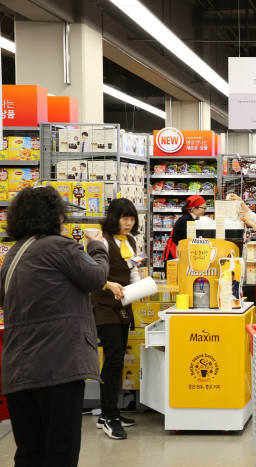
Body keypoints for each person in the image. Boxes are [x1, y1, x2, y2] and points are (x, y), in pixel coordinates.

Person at [0, 186, 109, 466]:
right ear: (53, 216)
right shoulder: (59, 247)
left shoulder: (14, 253)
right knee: (61, 451)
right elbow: (96, 277)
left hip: (19, 369)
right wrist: (98, 246)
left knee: (29, 452)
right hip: (59, 366)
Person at [93, 198, 143, 440]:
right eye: (124, 217)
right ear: (114, 218)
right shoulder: (100, 240)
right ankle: (110, 416)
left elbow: (133, 270)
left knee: (117, 358)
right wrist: (108, 284)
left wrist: (142, 285)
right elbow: (91, 274)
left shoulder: (130, 240)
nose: (129, 222)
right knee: (113, 358)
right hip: (102, 306)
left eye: (132, 218)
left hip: (123, 305)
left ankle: (108, 412)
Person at [163, 195, 207, 260]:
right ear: (194, 208)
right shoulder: (187, 220)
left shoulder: (188, 218)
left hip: (178, 253)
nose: (205, 211)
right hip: (175, 255)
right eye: (203, 208)